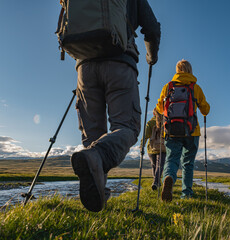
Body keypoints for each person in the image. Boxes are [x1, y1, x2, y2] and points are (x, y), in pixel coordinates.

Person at [70, 0, 161, 212]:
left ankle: (98, 199)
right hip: (120, 61)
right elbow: (152, 28)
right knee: (127, 127)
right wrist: (151, 56)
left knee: (93, 136)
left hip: (84, 65)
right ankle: (97, 161)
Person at [156, 59, 210, 201]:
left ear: (177, 71)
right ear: (190, 70)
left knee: (172, 159)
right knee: (188, 163)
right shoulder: (195, 88)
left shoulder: (168, 87)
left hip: (171, 130)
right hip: (192, 132)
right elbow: (205, 110)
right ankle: (187, 194)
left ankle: (169, 178)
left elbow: (160, 108)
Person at [141, 108, 166, 190]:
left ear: (153, 114)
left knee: (154, 166)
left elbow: (145, 135)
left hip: (151, 148)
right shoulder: (165, 122)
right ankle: (156, 182)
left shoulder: (150, 123)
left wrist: (142, 145)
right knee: (160, 166)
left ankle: (156, 182)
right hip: (162, 148)